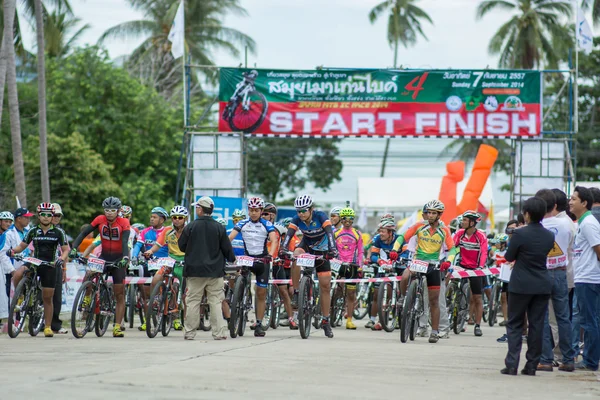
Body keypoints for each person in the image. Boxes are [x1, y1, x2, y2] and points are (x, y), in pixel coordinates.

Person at [501, 197, 554, 376]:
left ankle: (511, 364)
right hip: (542, 284)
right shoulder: (549, 235)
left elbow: (509, 256)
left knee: (515, 323)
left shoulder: (520, 234)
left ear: (527, 214)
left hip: (520, 284)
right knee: (537, 324)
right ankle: (531, 365)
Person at [391, 199, 454, 343]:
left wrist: (449, 261)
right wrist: (395, 249)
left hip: (433, 265)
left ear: (439, 215)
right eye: (429, 212)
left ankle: (435, 331)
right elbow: (402, 237)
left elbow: (452, 248)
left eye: (434, 213)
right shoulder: (419, 225)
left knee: (434, 301)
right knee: (406, 276)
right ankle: (403, 298)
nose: (430, 215)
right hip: (418, 261)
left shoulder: (444, 230)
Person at [70, 197, 131, 337]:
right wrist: (74, 248)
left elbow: (125, 241)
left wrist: (125, 258)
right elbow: (83, 233)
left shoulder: (124, 222)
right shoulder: (99, 219)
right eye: (107, 210)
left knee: (119, 294)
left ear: (119, 211)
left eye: (113, 210)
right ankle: (86, 298)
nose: (109, 213)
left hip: (119, 259)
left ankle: (117, 326)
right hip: (103, 257)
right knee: (90, 273)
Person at [7, 203, 70, 338]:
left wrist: (61, 258)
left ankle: (47, 327)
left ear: (52, 216)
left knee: (47, 298)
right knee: (18, 273)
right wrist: (12, 251)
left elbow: (66, 250)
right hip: (34, 261)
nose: (46, 217)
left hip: (50, 265)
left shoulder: (59, 232)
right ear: (39, 216)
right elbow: (21, 247)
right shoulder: (33, 231)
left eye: (49, 215)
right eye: (43, 214)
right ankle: (22, 296)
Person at [280, 194, 338, 338]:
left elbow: (330, 233)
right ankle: (297, 292)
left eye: (304, 210)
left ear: (311, 209)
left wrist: (333, 249)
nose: (301, 213)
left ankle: (325, 320)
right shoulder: (297, 219)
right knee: (295, 254)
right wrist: (283, 248)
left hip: (323, 250)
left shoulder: (320, 216)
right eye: (298, 211)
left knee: (325, 286)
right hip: (307, 245)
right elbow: (289, 234)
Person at [178, 196, 235, 340]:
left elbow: (181, 246)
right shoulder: (219, 227)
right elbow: (227, 249)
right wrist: (232, 260)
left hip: (194, 270)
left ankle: (190, 332)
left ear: (200, 209)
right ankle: (219, 333)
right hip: (215, 271)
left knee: (193, 301)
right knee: (215, 301)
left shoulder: (190, 226)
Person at [534, 189, 576, 372]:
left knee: (542, 317)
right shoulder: (567, 224)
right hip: (560, 273)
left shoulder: (538, 226)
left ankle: (546, 359)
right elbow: (571, 248)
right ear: (555, 205)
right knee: (563, 317)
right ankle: (568, 359)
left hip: (542, 273)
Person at [228, 197, 280, 337]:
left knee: (261, 293)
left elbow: (274, 239)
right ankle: (239, 300)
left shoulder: (266, 224)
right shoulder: (243, 223)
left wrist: (270, 254)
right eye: (251, 210)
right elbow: (230, 238)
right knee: (239, 280)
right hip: (247, 258)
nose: (254, 213)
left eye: (256, 210)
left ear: (261, 211)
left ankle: (258, 323)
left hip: (262, 259)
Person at [143, 205, 189, 331]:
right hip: (170, 261)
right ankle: (157, 300)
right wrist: (150, 252)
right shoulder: (167, 230)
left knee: (185, 295)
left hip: (185, 262)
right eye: (174, 217)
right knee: (156, 279)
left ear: (185, 219)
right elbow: (157, 245)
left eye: (180, 217)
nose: (177, 220)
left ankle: (181, 320)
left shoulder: (190, 230)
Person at [569, 186, 600, 371]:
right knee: (590, 320)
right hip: (584, 278)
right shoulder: (583, 222)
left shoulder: (589, 223)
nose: (570, 202)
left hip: (589, 279)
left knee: (589, 322)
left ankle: (590, 361)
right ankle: (590, 358)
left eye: (574, 199)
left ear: (584, 203)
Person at [132, 206, 169, 331]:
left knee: (172, 288)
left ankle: (174, 318)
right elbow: (138, 245)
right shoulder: (145, 231)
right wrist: (133, 256)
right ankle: (148, 319)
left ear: (162, 219)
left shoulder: (168, 232)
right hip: (150, 263)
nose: (151, 219)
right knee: (147, 294)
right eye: (151, 217)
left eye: (155, 217)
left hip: (165, 263)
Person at [452, 210, 488, 337]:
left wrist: (480, 267)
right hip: (461, 266)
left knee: (477, 297)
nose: (462, 222)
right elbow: (451, 246)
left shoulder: (481, 236)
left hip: (475, 268)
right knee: (447, 278)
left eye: (465, 220)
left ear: (472, 223)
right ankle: (450, 300)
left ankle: (477, 325)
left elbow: (484, 253)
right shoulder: (460, 233)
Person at [333, 205, 363, 330]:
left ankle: (349, 320)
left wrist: (360, 266)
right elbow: (332, 249)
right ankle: (331, 314)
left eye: (350, 218)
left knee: (351, 294)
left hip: (352, 265)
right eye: (344, 218)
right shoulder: (335, 233)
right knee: (336, 291)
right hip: (338, 264)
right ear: (341, 218)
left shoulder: (357, 233)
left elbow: (360, 252)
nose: (347, 221)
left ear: (353, 219)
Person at [367, 215, 398, 330]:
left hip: (395, 268)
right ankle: (373, 319)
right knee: (376, 294)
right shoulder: (378, 239)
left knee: (393, 294)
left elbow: (405, 254)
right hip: (382, 268)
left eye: (383, 231)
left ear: (390, 232)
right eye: (379, 231)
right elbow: (373, 256)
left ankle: (396, 317)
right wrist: (379, 261)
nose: (380, 233)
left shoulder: (399, 239)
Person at [4, 208, 32, 299]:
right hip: (12, 271)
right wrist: (12, 271)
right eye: (26, 217)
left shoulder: (28, 232)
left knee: (27, 297)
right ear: (18, 218)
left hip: (27, 269)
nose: (28, 220)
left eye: (29, 218)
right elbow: (4, 254)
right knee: (11, 299)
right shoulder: (8, 233)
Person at [49, 203, 69, 334]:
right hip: (41, 263)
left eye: (59, 216)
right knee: (43, 295)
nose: (56, 218)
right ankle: (38, 322)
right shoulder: (36, 229)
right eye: (54, 215)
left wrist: (64, 269)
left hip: (56, 264)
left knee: (56, 295)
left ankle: (55, 324)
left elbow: (65, 250)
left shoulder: (61, 232)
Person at [0, 212, 15, 323]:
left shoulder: (10, 234)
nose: (8, 224)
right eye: (6, 221)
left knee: (6, 294)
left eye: (10, 222)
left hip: (7, 268)